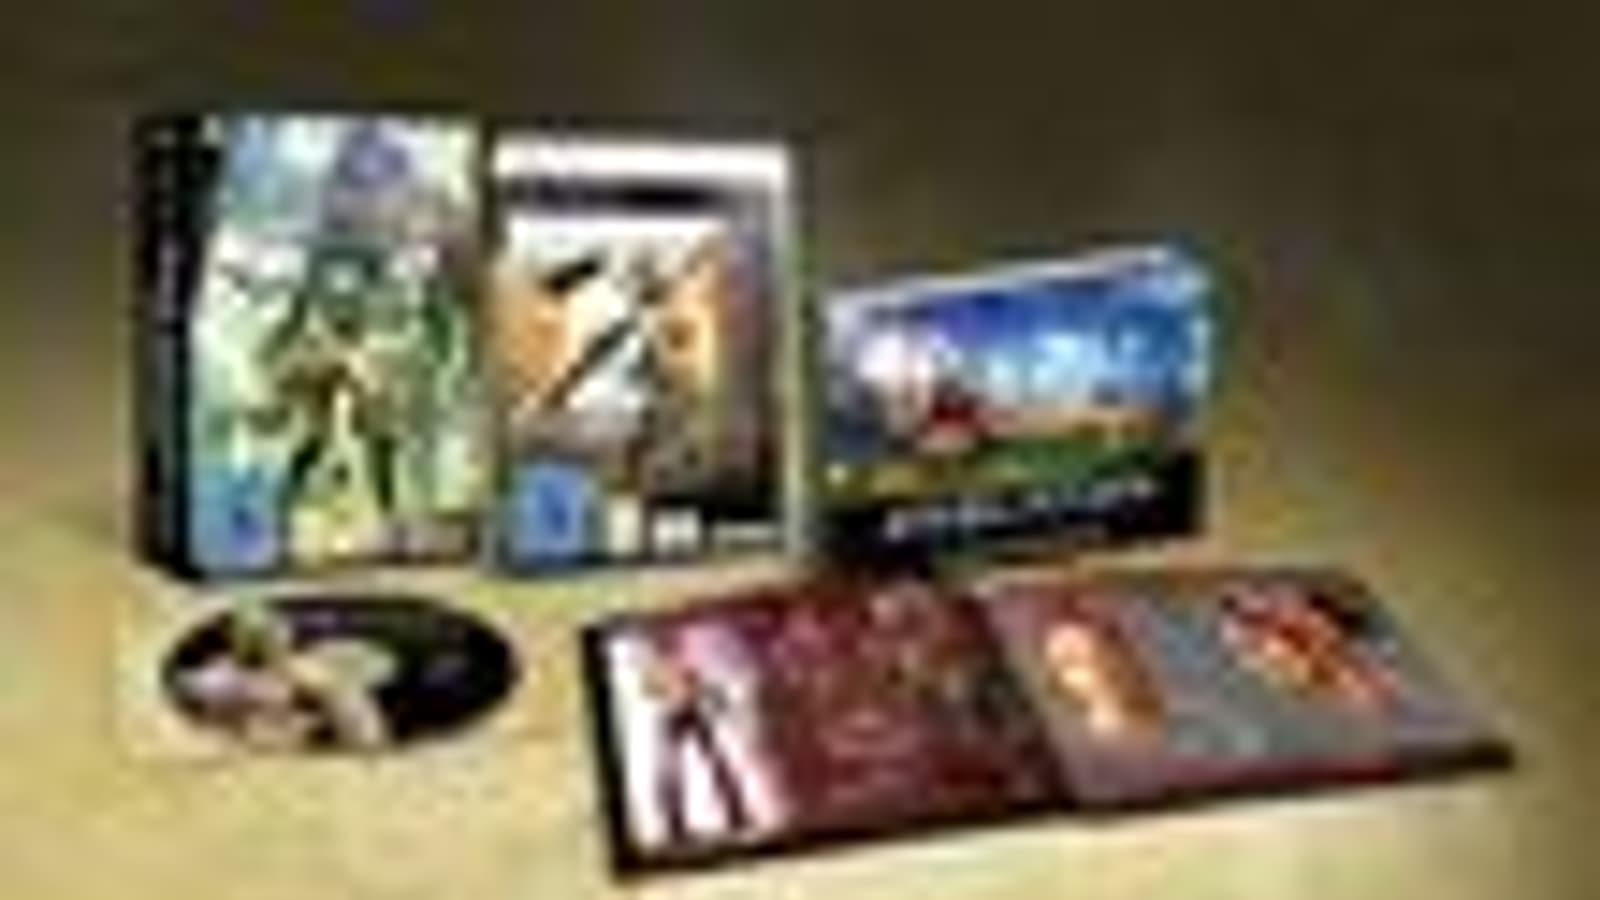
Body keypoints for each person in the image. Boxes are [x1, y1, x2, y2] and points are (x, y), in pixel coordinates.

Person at [637, 627, 752, 843]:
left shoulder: (683, 661)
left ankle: (737, 813)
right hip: (672, 716)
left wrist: (718, 700)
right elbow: (647, 690)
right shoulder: (657, 665)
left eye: (670, 642)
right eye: (666, 643)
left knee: (714, 761)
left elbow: (702, 685)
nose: (670, 645)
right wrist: (666, 687)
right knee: (672, 769)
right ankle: (675, 824)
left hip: (691, 712)